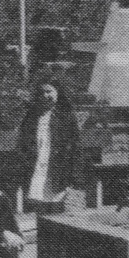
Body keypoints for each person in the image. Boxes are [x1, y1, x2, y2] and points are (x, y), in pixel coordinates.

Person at [14, 82, 82, 212]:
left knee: (57, 208)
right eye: (42, 92)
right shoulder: (31, 117)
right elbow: (23, 144)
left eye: (49, 91)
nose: (45, 95)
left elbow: (76, 147)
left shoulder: (66, 116)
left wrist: (75, 177)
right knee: (37, 206)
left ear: (57, 92)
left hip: (58, 170)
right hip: (37, 168)